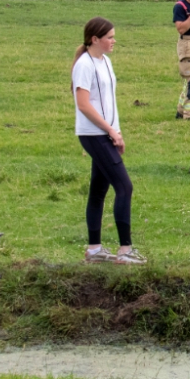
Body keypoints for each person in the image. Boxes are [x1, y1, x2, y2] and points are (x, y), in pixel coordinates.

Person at [71, 17, 146, 265]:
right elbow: (83, 104)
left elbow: (108, 102)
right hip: (93, 134)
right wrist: (109, 131)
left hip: (106, 133)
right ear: (95, 39)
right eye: (110, 37)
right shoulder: (84, 64)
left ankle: (94, 250)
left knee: (98, 189)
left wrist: (117, 132)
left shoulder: (105, 62)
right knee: (124, 187)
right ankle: (125, 250)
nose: (114, 41)